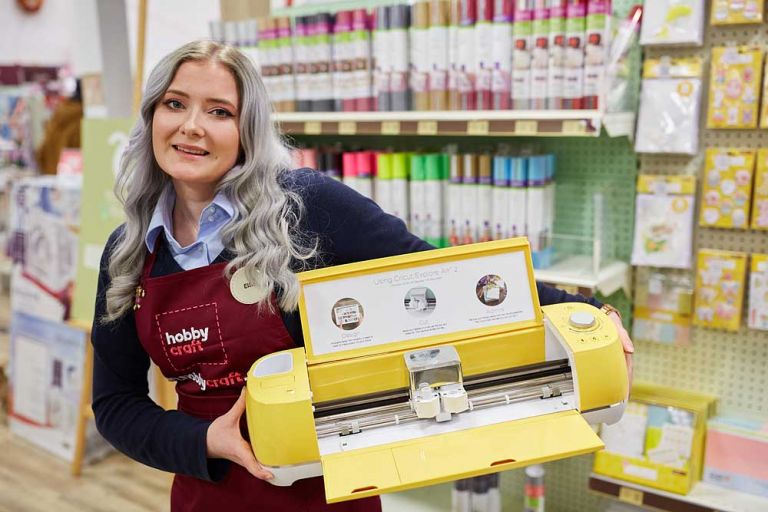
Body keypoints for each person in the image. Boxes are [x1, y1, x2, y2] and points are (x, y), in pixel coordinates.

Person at [92, 40, 633, 512]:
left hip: (325, 491)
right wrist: (207, 439)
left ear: (246, 130)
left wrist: (578, 310)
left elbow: (436, 271)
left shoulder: (305, 204)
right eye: (175, 104)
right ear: (151, 118)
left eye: (219, 111)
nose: (192, 126)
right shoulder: (126, 254)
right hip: (206, 492)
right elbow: (114, 405)